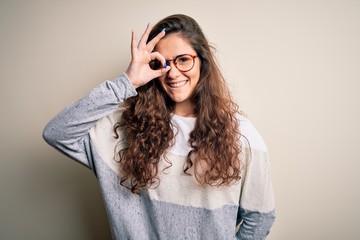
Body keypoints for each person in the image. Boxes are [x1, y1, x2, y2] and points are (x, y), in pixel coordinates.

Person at [43, 14, 275, 239]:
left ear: (202, 62)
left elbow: (260, 217)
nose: (172, 73)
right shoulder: (125, 129)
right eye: (161, 63)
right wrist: (128, 82)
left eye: (183, 59)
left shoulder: (241, 134)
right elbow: (57, 133)